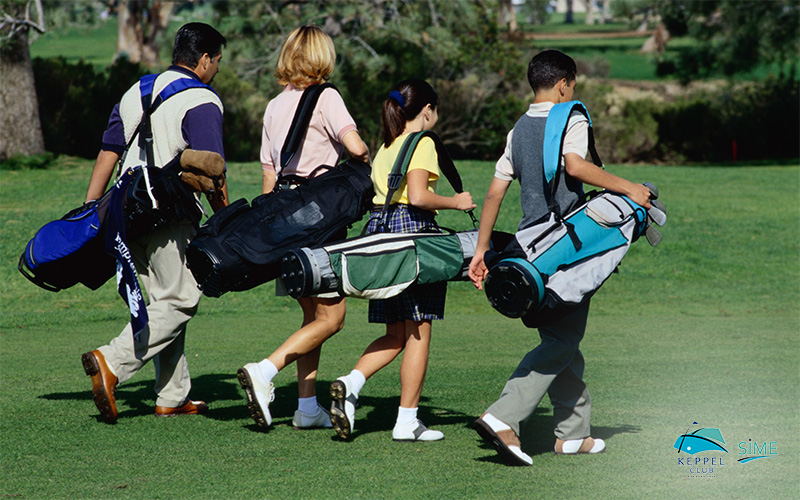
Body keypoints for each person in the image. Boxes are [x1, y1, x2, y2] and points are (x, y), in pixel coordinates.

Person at [467, 49, 652, 465]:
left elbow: (495, 192)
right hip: (566, 249)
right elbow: (576, 166)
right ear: (565, 83)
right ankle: (503, 416)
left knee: (563, 337)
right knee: (562, 339)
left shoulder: (518, 129)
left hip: (529, 249)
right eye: (574, 85)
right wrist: (628, 187)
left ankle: (572, 434)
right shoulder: (572, 116)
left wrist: (481, 251)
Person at [80, 23, 229, 424]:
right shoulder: (201, 99)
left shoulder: (135, 91)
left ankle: (172, 396)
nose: (216, 69)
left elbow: (108, 154)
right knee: (181, 300)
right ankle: (111, 361)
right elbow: (212, 171)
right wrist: (227, 222)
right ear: (203, 60)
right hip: (169, 214)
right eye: (216, 61)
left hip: (123, 218)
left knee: (164, 303)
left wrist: (89, 209)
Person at [237, 25, 369, 431]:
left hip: (282, 222)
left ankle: (306, 408)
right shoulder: (326, 96)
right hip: (320, 220)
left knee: (313, 316)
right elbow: (357, 147)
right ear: (321, 57)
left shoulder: (275, 105)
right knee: (333, 319)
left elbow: (267, 172)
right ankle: (265, 370)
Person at [329, 79, 476, 442]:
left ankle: (351, 383)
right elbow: (420, 197)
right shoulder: (422, 142)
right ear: (427, 110)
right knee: (419, 328)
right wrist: (457, 203)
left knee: (396, 332)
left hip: (382, 235)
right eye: (436, 110)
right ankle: (407, 421)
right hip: (412, 236)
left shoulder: (387, 145)